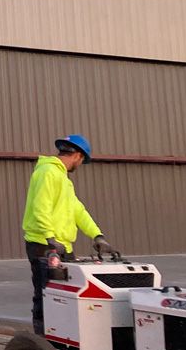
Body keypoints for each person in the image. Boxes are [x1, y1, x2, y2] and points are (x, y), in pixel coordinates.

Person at [21, 134, 116, 334]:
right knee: (46, 296)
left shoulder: (64, 179)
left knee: (67, 298)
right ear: (78, 156)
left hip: (62, 246)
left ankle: (65, 340)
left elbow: (78, 210)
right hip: (44, 245)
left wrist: (97, 235)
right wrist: (49, 237)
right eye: (82, 161)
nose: (80, 165)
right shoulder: (48, 172)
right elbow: (41, 207)